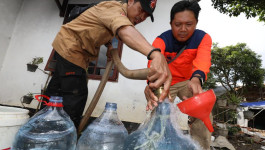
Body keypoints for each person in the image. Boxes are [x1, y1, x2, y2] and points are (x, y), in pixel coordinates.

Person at [44, 0, 172, 129]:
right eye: (141, 10)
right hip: (72, 51)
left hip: (66, 49)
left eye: (146, 15)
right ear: (131, 1)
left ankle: (41, 129)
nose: (142, 17)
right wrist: (155, 54)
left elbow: (99, 28)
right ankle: (65, 137)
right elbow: (125, 30)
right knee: (75, 99)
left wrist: (109, 46)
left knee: (55, 94)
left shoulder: (114, 13)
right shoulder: (113, 7)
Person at [144, 1, 212, 149]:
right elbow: (153, 65)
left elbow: (203, 60)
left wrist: (197, 79)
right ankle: (152, 145)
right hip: (165, 81)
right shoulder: (161, 40)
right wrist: (153, 86)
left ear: (196, 23)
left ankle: (201, 147)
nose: (183, 29)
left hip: (188, 81)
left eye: (188, 24)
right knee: (159, 110)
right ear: (170, 23)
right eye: (177, 24)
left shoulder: (203, 38)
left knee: (202, 107)